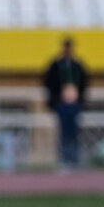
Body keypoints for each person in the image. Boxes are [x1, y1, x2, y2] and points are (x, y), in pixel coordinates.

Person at [43, 37, 89, 170]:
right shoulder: (56, 65)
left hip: (74, 104)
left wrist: (79, 97)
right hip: (61, 104)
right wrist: (56, 97)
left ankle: (74, 160)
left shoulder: (77, 65)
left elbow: (84, 82)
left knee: (74, 132)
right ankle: (63, 160)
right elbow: (48, 82)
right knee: (63, 132)